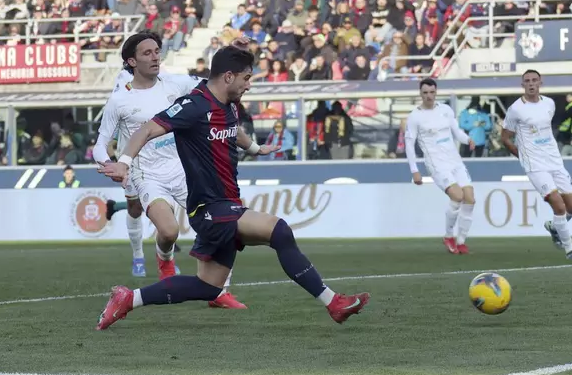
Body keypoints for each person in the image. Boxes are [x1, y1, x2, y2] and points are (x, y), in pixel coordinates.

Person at [95, 45, 370, 330]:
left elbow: (230, 129)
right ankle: (333, 303)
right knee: (279, 231)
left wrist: (255, 147)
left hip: (224, 203)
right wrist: (124, 162)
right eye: (246, 78)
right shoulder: (193, 105)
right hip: (210, 208)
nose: (249, 85)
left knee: (208, 287)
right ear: (228, 76)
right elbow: (147, 129)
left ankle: (129, 298)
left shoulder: (226, 104)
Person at [93, 31, 246, 308]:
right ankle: (164, 260)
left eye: (157, 51)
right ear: (131, 61)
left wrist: (232, 57)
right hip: (146, 174)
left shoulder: (176, 84)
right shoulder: (119, 100)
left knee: (223, 224)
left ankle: (220, 291)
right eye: (147, 53)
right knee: (169, 231)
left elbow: (215, 83)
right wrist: (110, 165)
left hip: (184, 169)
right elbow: (100, 143)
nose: (155, 57)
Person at [501, 69, 572, 261]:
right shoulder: (516, 109)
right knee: (558, 204)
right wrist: (520, 155)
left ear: (540, 82)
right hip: (535, 165)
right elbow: (505, 137)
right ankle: (571, 250)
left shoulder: (549, 104)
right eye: (527, 81)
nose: (531, 84)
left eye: (534, 80)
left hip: (555, 161)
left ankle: (555, 227)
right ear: (522, 85)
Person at [405, 78, 476, 255]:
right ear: (420, 94)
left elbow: (456, 132)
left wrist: (467, 139)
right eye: (425, 93)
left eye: (432, 92)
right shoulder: (415, 116)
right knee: (457, 195)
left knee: (470, 199)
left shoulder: (445, 110)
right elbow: (409, 144)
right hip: (436, 163)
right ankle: (448, 236)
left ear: (436, 92)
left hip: (455, 160)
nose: (429, 96)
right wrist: (415, 170)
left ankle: (461, 242)